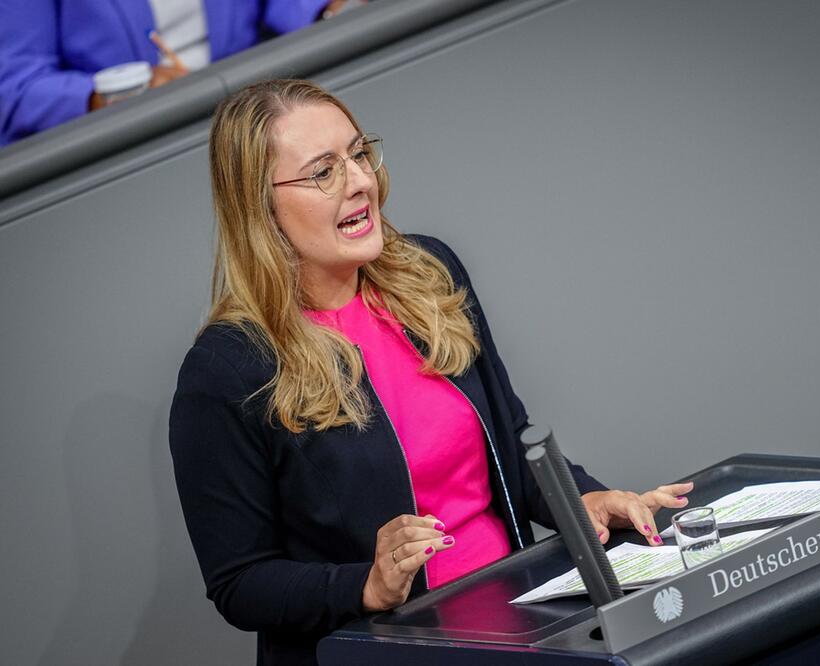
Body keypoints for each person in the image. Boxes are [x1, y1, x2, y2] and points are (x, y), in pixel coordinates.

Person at [168, 78, 693, 666]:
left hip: (528, 622)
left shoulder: (430, 272)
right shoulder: (227, 367)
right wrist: (364, 584)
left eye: (359, 154)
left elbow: (511, 447)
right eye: (323, 172)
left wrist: (588, 501)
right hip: (390, 650)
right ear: (259, 207)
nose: (361, 181)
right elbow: (240, 581)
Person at [0, 0, 364, 146]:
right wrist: (108, 94)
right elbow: (15, 86)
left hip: (254, 119)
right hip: (132, 139)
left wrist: (329, 10)